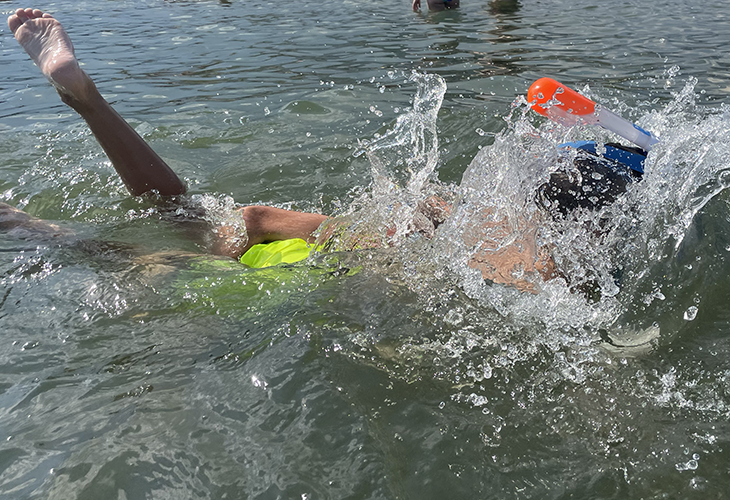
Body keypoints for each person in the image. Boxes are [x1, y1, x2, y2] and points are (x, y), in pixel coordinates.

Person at [6, 8, 642, 293]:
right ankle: (35, 224)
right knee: (152, 239)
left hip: (291, 252)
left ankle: (83, 107)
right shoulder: (548, 269)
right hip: (302, 263)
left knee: (169, 224)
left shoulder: (484, 219)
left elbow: (264, 221)